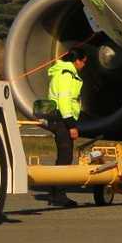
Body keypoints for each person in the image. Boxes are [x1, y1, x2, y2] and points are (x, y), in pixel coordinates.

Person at [40, 48, 87, 208]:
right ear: (77, 61)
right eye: (84, 62)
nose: (84, 65)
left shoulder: (62, 72)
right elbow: (65, 101)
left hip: (58, 117)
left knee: (63, 155)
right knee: (65, 156)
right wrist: (71, 125)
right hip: (61, 118)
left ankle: (55, 192)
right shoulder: (67, 75)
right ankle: (59, 195)